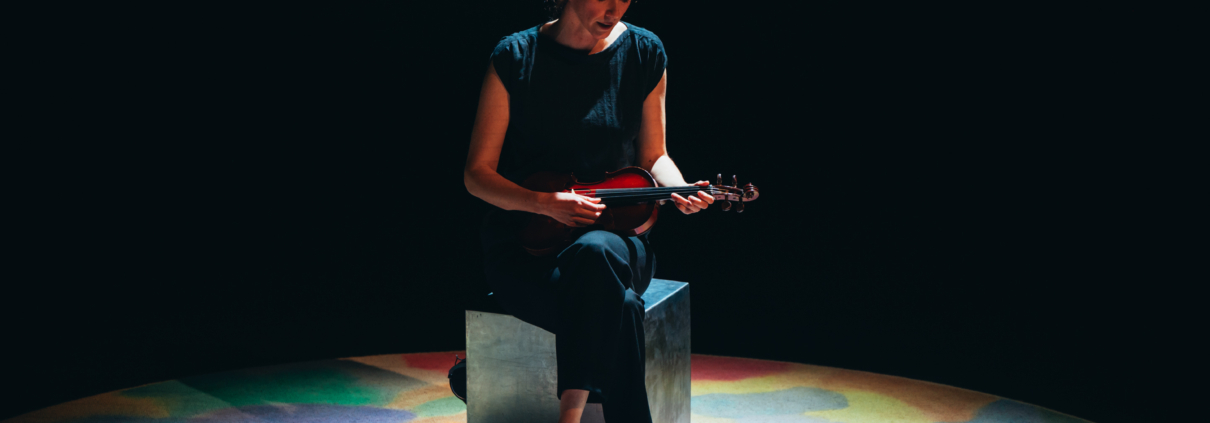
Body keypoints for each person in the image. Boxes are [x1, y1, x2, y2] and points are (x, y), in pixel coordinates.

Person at [463, 1, 713, 422]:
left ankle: (570, 417)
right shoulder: (515, 56)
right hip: (527, 247)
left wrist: (678, 189)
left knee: (596, 251)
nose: (615, 8)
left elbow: (654, 156)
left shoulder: (644, 52)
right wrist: (543, 203)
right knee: (622, 306)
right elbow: (476, 175)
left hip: (617, 246)